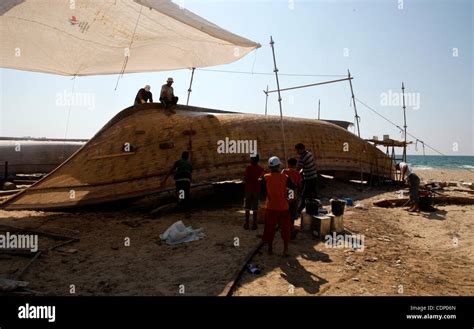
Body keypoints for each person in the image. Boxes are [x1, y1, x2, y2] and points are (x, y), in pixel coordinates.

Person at [262, 156, 296, 256]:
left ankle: (270, 250)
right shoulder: (285, 177)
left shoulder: (266, 177)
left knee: (269, 228)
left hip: (271, 207)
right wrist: (289, 196)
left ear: (269, 167)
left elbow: (261, 186)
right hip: (283, 207)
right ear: (279, 166)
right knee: (285, 229)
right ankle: (285, 250)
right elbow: (294, 187)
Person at [243, 154, 265, 230]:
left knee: (247, 207)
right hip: (256, 190)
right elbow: (262, 179)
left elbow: (245, 178)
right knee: (255, 207)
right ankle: (254, 224)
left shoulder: (248, 168)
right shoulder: (261, 169)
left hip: (248, 189)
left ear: (251, 160)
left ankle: (246, 223)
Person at [295, 143, 318, 215]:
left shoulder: (303, 158)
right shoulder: (309, 154)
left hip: (309, 178)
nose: (297, 152)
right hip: (314, 176)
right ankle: (317, 207)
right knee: (313, 194)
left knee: (304, 195)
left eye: (297, 150)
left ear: (301, 149)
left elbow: (298, 169)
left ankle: (298, 211)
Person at [281, 158, 301, 239]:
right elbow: (299, 185)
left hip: (286, 193)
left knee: (286, 212)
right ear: (295, 165)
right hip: (294, 194)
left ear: (288, 164)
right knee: (292, 213)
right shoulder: (298, 174)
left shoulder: (284, 171)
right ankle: (291, 230)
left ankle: (286, 230)